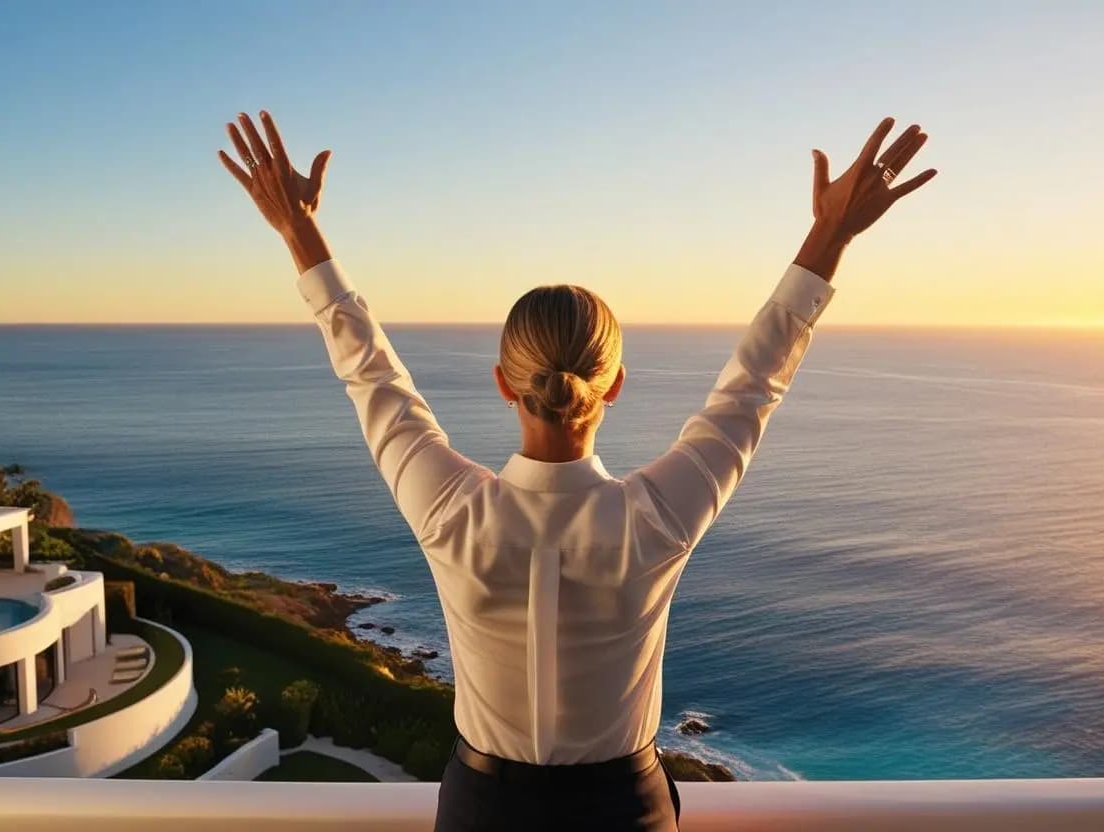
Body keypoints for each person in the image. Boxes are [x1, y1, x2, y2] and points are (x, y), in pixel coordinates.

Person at [219, 111, 935, 831]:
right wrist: (831, 233)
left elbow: (368, 371)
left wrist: (299, 229)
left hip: (483, 810)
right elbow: (754, 384)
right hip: (627, 811)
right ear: (614, 385)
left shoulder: (450, 510)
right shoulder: (654, 516)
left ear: (504, 382)